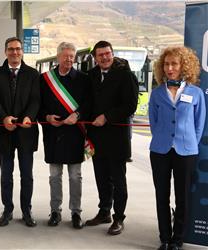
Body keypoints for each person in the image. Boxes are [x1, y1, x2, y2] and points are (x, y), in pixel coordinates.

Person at [149, 46, 205, 250]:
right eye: (166, 64)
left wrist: (188, 142)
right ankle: (164, 238)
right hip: (160, 150)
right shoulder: (157, 93)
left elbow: (199, 125)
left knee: (183, 197)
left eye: (174, 64)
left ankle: (177, 240)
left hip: (186, 152)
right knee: (161, 195)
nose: (169, 68)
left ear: (184, 66)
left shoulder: (196, 93)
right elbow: (154, 124)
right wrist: (164, 139)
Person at [85, 40, 138, 235]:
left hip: (117, 138)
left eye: (108, 53)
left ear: (112, 54)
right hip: (96, 137)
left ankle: (119, 217)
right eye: (100, 55)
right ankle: (104, 211)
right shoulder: (90, 76)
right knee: (101, 177)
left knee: (118, 179)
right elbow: (87, 102)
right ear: (95, 58)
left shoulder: (126, 75)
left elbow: (130, 105)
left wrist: (107, 117)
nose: (105, 57)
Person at [0, 37, 40, 227]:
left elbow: (36, 100)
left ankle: (27, 211)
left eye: (18, 49)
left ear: (22, 51)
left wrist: (29, 117)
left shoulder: (33, 74)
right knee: (6, 175)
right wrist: (3, 118)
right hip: (5, 131)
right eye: (11, 49)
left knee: (26, 174)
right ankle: (7, 210)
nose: (15, 52)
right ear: (5, 52)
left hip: (26, 131)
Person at [39, 42, 90, 229]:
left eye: (72, 56)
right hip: (53, 134)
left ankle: (76, 212)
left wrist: (77, 115)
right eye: (65, 56)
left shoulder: (83, 79)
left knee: (75, 176)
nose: (69, 59)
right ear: (58, 56)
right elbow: (38, 105)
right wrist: (46, 116)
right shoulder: (45, 79)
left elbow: (89, 104)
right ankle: (55, 211)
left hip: (75, 134)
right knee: (54, 176)